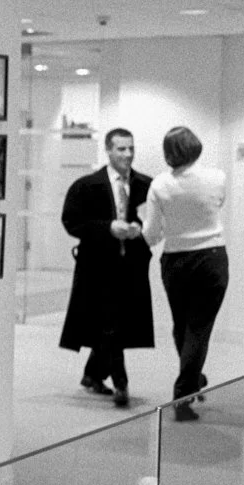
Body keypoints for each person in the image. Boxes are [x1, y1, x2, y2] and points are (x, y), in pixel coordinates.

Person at [60, 128, 154, 408]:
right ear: (108, 150)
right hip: (98, 267)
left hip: (131, 266)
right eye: (121, 149)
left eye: (131, 148)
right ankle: (121, 383)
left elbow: (157, 221)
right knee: (110, 322)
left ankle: (92, 374)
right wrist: (108, 228)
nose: (128, 154)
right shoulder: (87, 186)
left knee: (116, 323)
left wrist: (140, 229)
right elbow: (72, 222)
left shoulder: (146, 186)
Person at [141, 126, 229, 421]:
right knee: (199, 328)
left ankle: (191, 381)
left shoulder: (160, 184)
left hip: (175, 261)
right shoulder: (217, 178)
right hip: (211, 258)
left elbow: (152, 233)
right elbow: (216, 204)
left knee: (182, 327)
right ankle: (185, 392)